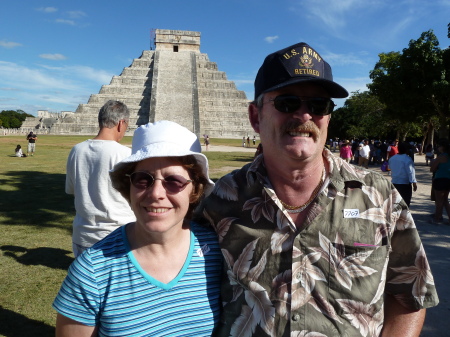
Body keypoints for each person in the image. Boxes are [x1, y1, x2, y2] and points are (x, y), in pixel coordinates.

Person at [195, 42, 438, 336]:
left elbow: (410, 296)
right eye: (287, 103)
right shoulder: (219, 200)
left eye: (318, 105)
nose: (304, 115)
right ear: (255, 117)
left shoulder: (379, 195)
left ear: (328, 117)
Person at [53, 120, 221, 336]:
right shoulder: (92, 272)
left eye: (174, 181)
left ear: (194, 189)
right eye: (143, 179)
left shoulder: (218, 252)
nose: (156, 193)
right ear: (128, 186)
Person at [65, 100, 136, 257]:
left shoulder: (76, 151)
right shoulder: (125, 154)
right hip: (117, 235)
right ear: (121, 123)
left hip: (82, 235)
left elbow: (71, 190)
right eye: (126, 126)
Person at [388, 141, 417, 206]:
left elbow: (389, 168)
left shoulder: (392, 158)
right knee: (405, 203)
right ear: (407, 150)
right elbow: (411, 172)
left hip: (394, 182)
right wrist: (414, 183)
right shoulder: (408, 159)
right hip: (405, 184)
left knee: (395, 203)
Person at [430, 140, 450, 225]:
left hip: (440, 179)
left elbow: (432, 169)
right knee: (445, 200)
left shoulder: (440, 157)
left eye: (439, 146)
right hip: (448, 180)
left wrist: (433, 164)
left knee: (439, 201)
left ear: (442, 147)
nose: (438, 148)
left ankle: (437, 218)